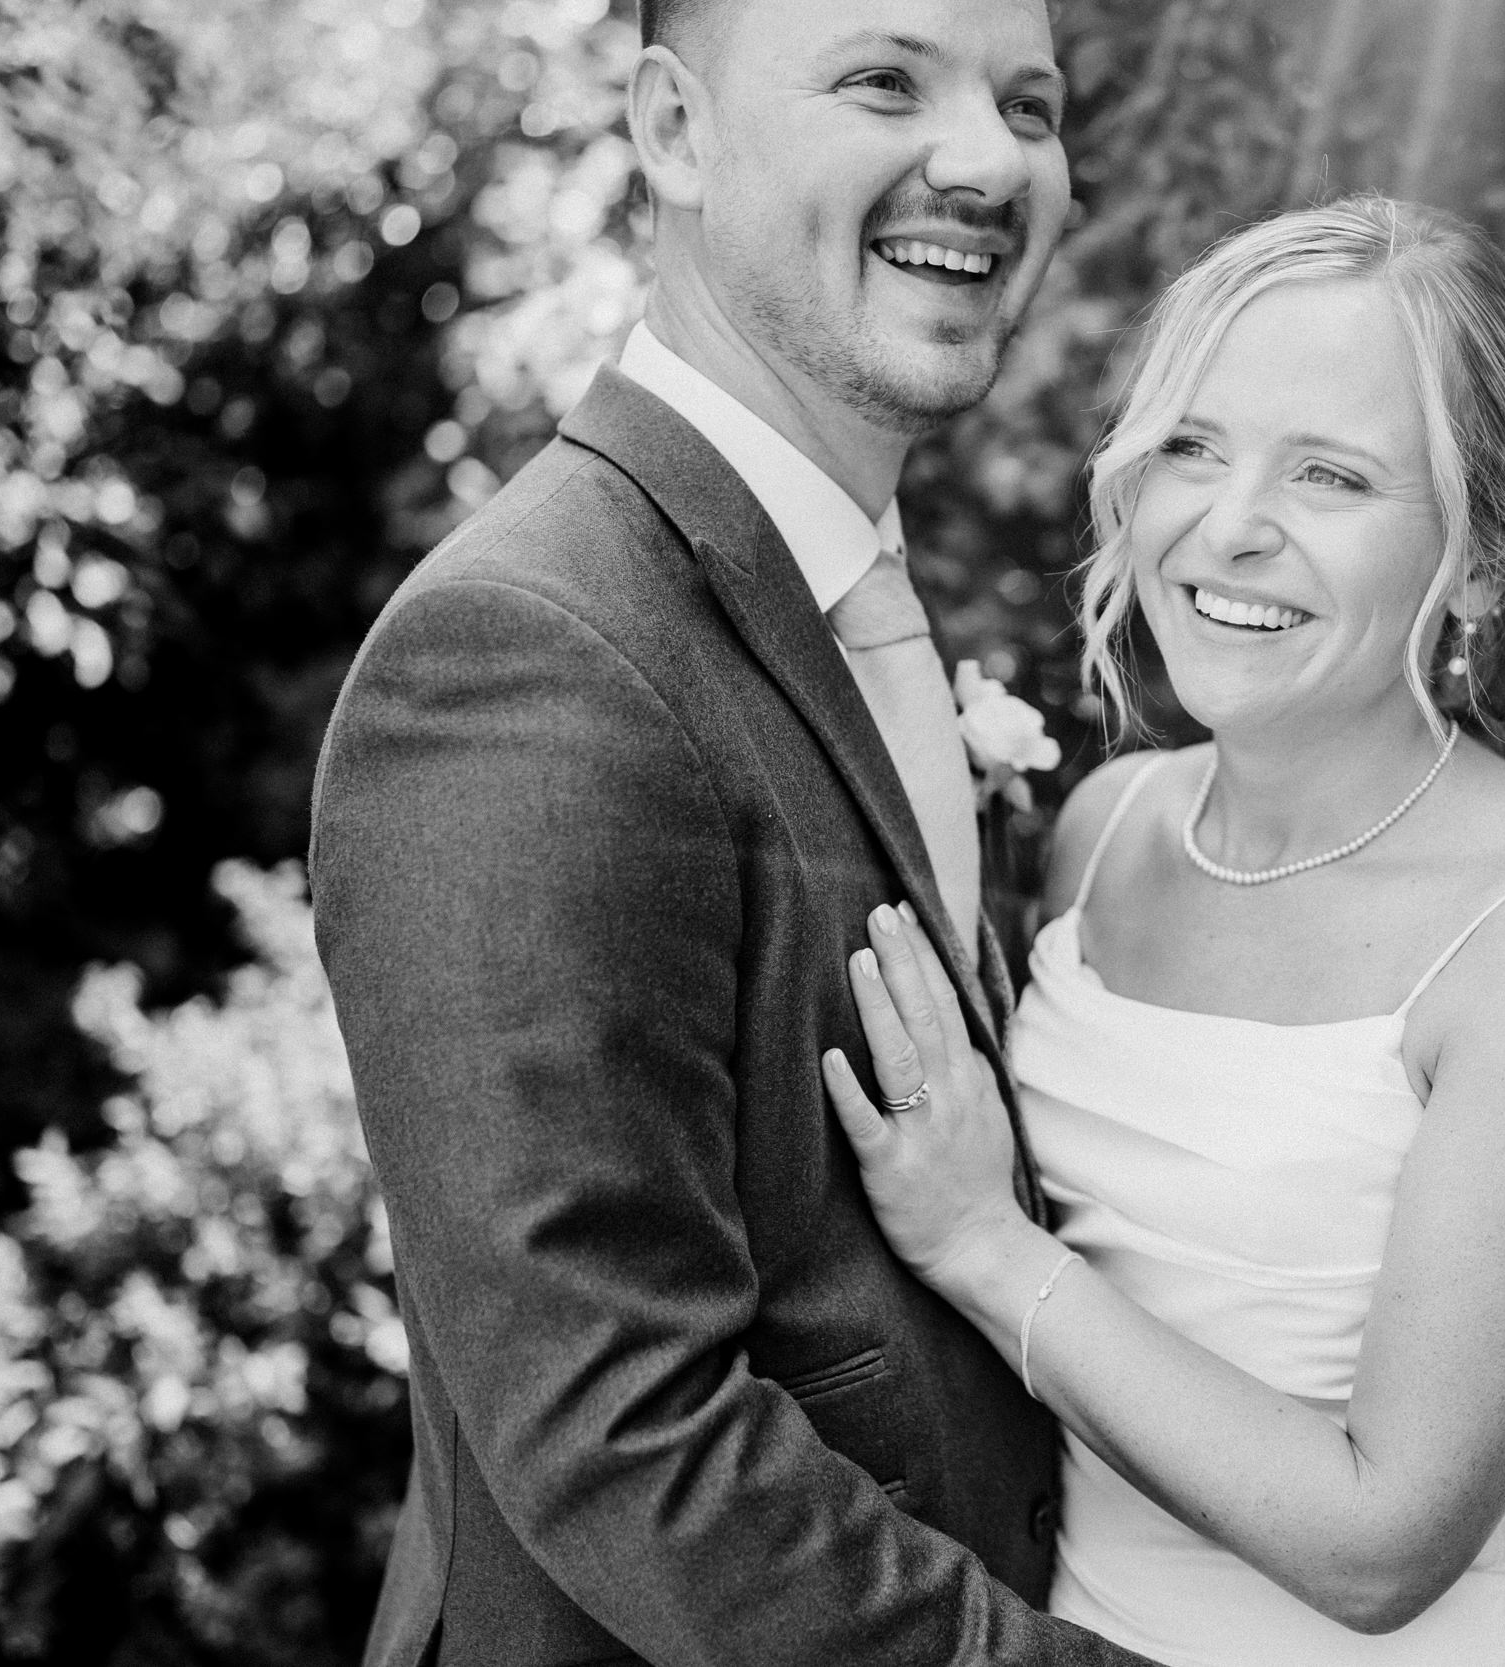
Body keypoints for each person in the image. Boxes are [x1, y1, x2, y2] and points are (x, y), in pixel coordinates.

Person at [308, 0, 1156, 1661]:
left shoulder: (847, 604)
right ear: (674, 129)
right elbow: (628, 1433)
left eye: (1030, 106)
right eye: (885, 80)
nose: (989, 163)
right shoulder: (527, 653)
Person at [820, 197, 1505, 1666]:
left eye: (1332, 474)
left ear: (1482, 560)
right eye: (1191, 446)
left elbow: (1381, 1546)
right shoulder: (1109, 830)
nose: (1229, 527)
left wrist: (979, 1243)